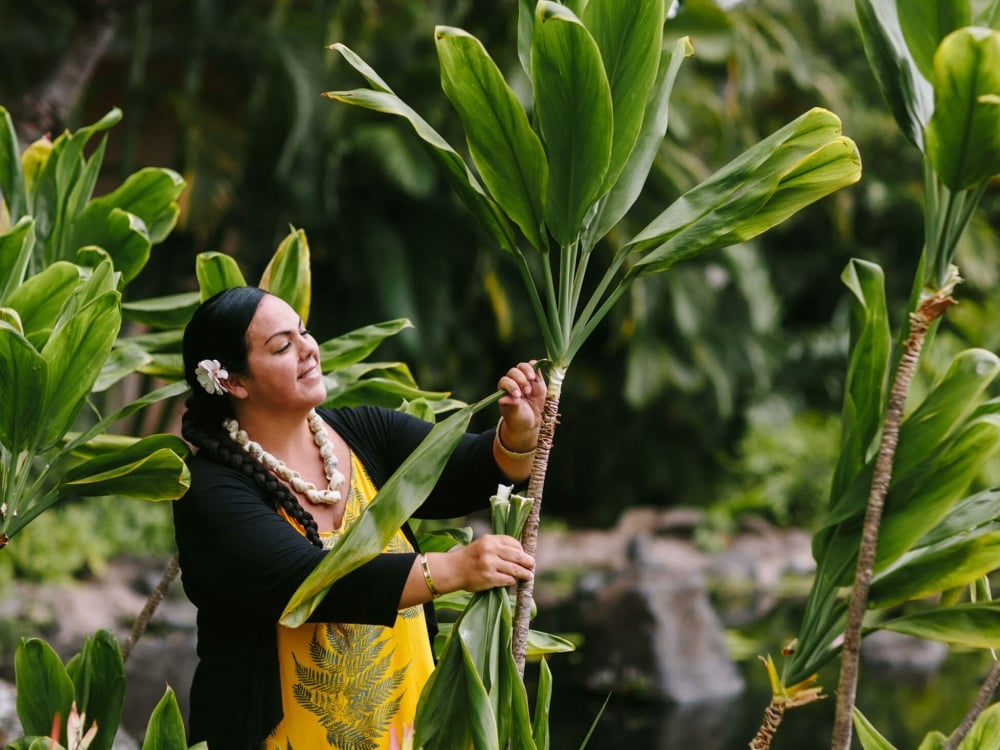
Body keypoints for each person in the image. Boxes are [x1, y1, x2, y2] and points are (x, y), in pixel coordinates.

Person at [173, 286, 542, 750]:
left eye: (304, 333)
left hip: (405, 725)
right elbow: (308, 581)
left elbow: (473, 471)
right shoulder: (210, 491)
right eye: (283, 346)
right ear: (234, 382)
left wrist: (519, 433)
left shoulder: (366, 434)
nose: (309, 349)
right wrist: (451, 568)